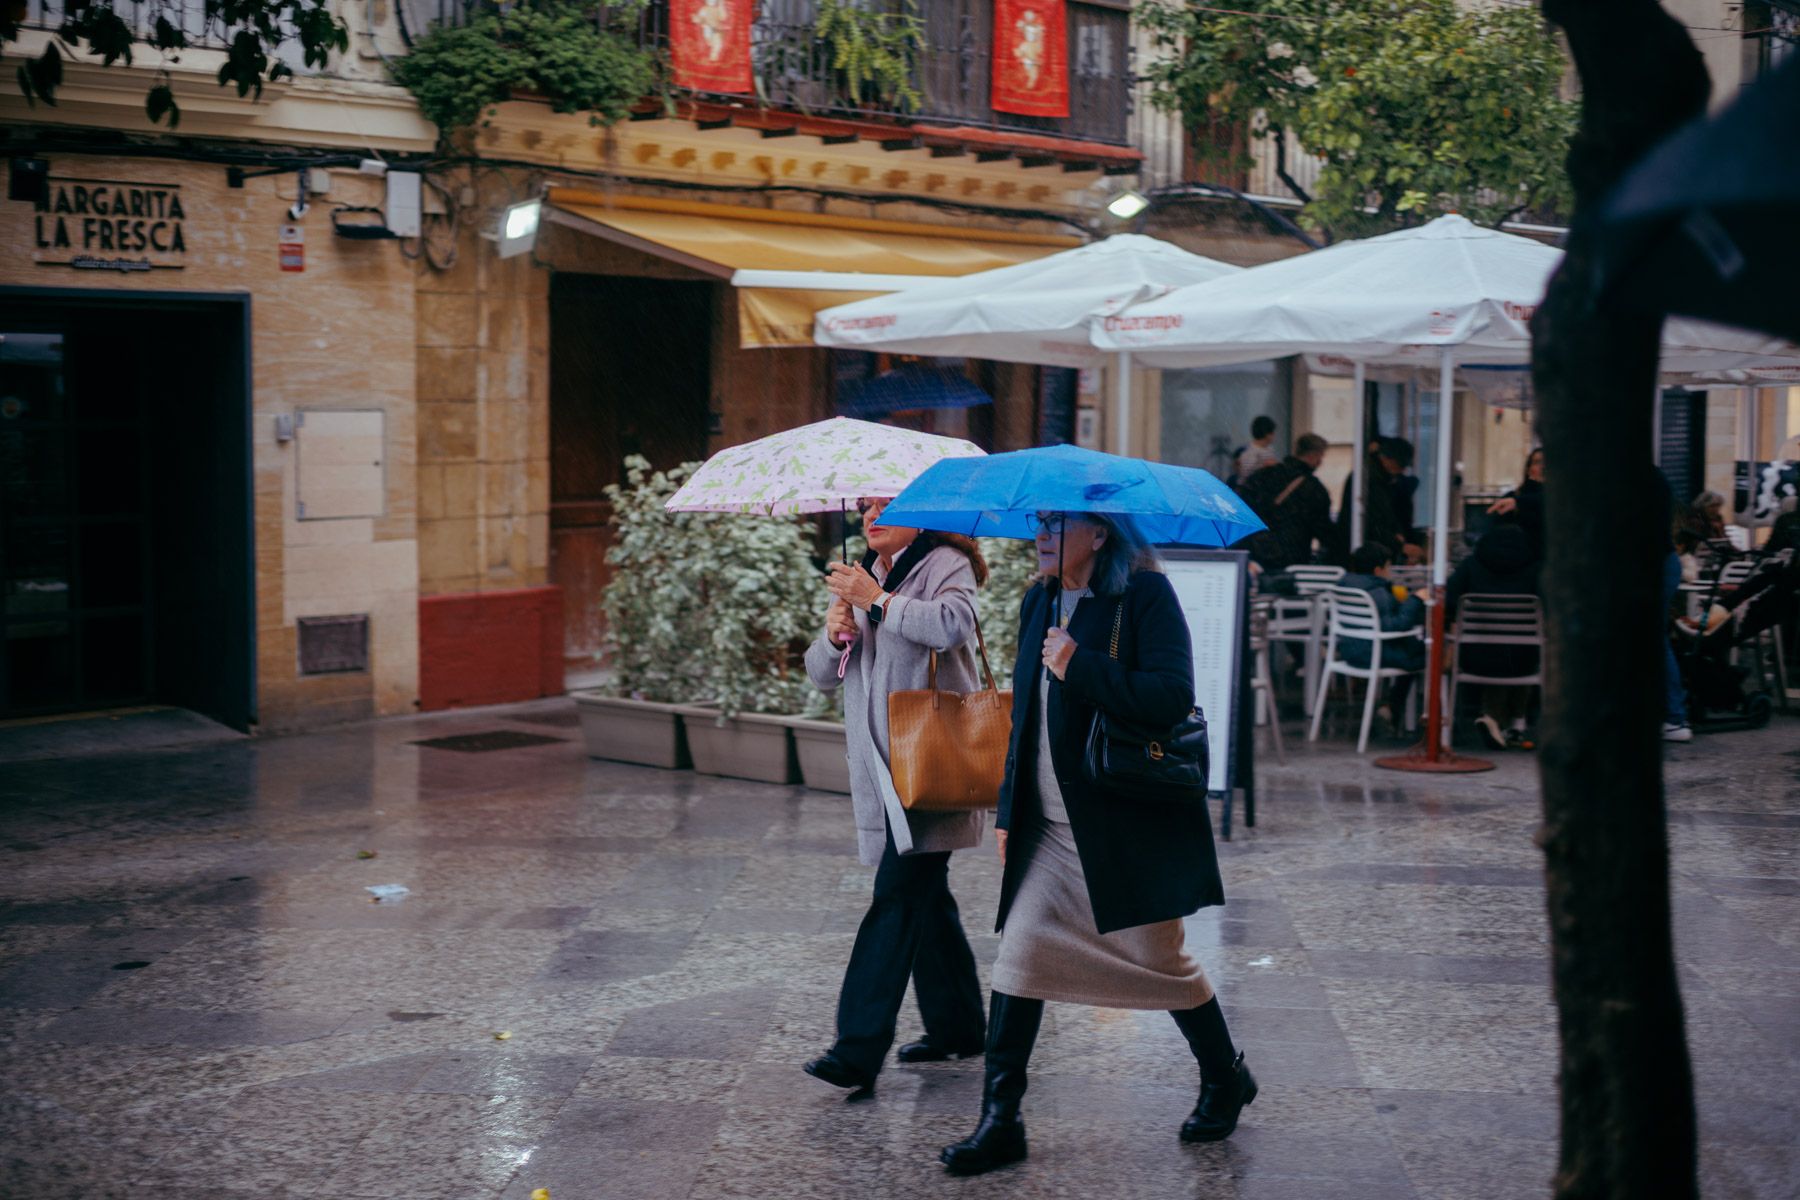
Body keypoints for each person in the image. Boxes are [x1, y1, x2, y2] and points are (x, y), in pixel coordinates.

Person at [938, 510, 1252, 1177]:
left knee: (1159, 962)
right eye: (1039, 523)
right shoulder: (1037, 599)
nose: (1041, 535)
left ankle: (1227, 1078)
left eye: (1058, 523)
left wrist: (1080, 666)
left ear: (1101, 534)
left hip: (1123, 824)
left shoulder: (1141, 595)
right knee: (1018, 957)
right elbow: (1023, 714)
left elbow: (1171, 697)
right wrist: (1006, 810)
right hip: (1048, 827)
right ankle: (1001, 1120)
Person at [800, 496, 991, 1093]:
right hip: (884, 768)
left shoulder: (944, 563)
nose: (872, 514)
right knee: (925, 898)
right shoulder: (865, 570)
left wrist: (877, 603)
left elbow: (954, 626)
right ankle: (959, 1027)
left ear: (925, 512)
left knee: (897, 897)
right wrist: (835, 637)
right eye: (865, 505)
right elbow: (821, 676)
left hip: (931, 761)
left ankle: (857, 1049)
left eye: (888, 503)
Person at [1445, 523, 1541, 750]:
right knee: (1519, 650)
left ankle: (1503, 722)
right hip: (1522, 658)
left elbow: (1449, 600)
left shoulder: (1470, 566)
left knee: (1501, 648)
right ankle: (1515, 724)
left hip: (1474, 656)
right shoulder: (1536, 569)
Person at [1337, 543, 1427, 724]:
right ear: (1378, 570)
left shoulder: (1344, 586)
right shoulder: (1377, 593)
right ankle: (1396, 708)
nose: (1390, 571)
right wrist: (1415, 600)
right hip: (1372, 653)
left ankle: (1393, 707)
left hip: (1349, 651)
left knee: (1413, 651)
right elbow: (1394, 626)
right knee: (1424, 657)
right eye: (1388, 567)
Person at [1240, 433, 1336, 573]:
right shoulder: (1314, 489)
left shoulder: (1263, 475)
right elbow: (1324, 531)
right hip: (1290, 563)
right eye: (1321, 457)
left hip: (1256, 556)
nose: (1320, 462)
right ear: (1314, 455)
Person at [1335, 438, 1423, 566]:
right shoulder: (1371, 481)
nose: (1402, 470)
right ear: (1386, 459)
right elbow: (1374, 522)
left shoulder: (1377, 478)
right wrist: (1398, 545)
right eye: (1401, 464)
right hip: (1365, 553)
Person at [1487, 447, 1545, 563]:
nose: (1543, 467)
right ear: (1529, 470)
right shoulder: (1512, 497)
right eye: (1537, 462)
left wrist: (1519, 503)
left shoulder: (1565, 499)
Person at [1232, 415, 1280, 487]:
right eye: (1272, 432)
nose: (1274, 435)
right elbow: (1245, 473)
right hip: (1250, 490)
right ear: (1267, 434)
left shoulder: (1269, 448)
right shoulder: (1250, 452)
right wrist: (1263, 466)